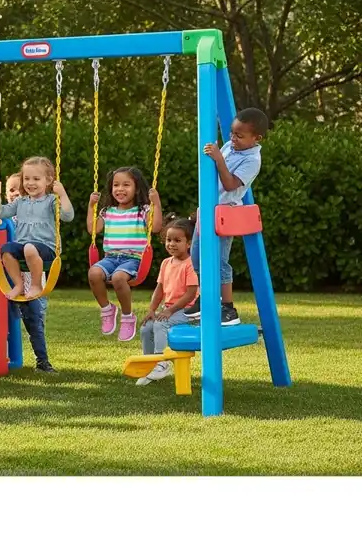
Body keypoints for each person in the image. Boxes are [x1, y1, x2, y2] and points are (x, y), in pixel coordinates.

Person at [184, 108, 269, 326]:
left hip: (225, 213)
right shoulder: (230, 146)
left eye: (239, 136)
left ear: (256, 138)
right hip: (209, 209)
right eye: (232, 133)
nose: (233, 138)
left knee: (220, 262)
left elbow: (230, 184)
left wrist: (219, 159)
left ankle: (228, 308)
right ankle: (207, 299)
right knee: (196, 258)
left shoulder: (253, 160)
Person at [86, 166, 162, 342]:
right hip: (110, 258)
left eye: (126, 185)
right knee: (94, 273)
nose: (120, 189)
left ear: (136, 188)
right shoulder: (107, 212)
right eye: (116, 185)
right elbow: (92, 230)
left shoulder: (142, 210)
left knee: (119, 278)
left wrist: (156, 204)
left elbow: (156, 227)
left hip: (133, 259)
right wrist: (91, 206)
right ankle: (107, 309)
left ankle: (127, 316)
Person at [0, 156, 75, 300]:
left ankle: (36, 285)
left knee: (29, 247)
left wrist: (62, 194)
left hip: (47, 249)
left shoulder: (51, 200)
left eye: (36, 179)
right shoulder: (20, 202)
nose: (30, 183)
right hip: (24, 247)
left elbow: (68, 216)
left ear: (48, 180)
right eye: (27, 179)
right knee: (6, 250)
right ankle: (18, 285)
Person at [136, 215, 198, 385]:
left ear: (189, 243)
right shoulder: (165, 263)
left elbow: (191, 293)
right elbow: (160, 289)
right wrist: (151, 310)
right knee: (146, 328)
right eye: (169, 240)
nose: (171, 244)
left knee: (160, 324)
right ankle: (149, 365)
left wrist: (170, 311)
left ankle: (161, 362)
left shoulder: (190, 263)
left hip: (188, 311)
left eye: (177, 240)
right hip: (170, 309)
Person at [5, 172, 55, 373]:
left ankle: (42, 361)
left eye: (20, 189)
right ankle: (3, 357)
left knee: (35, 320)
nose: (16, 193)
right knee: (5, 319)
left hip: (32, 279)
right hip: (9, 280)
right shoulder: (5, 217)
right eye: (11, 189)